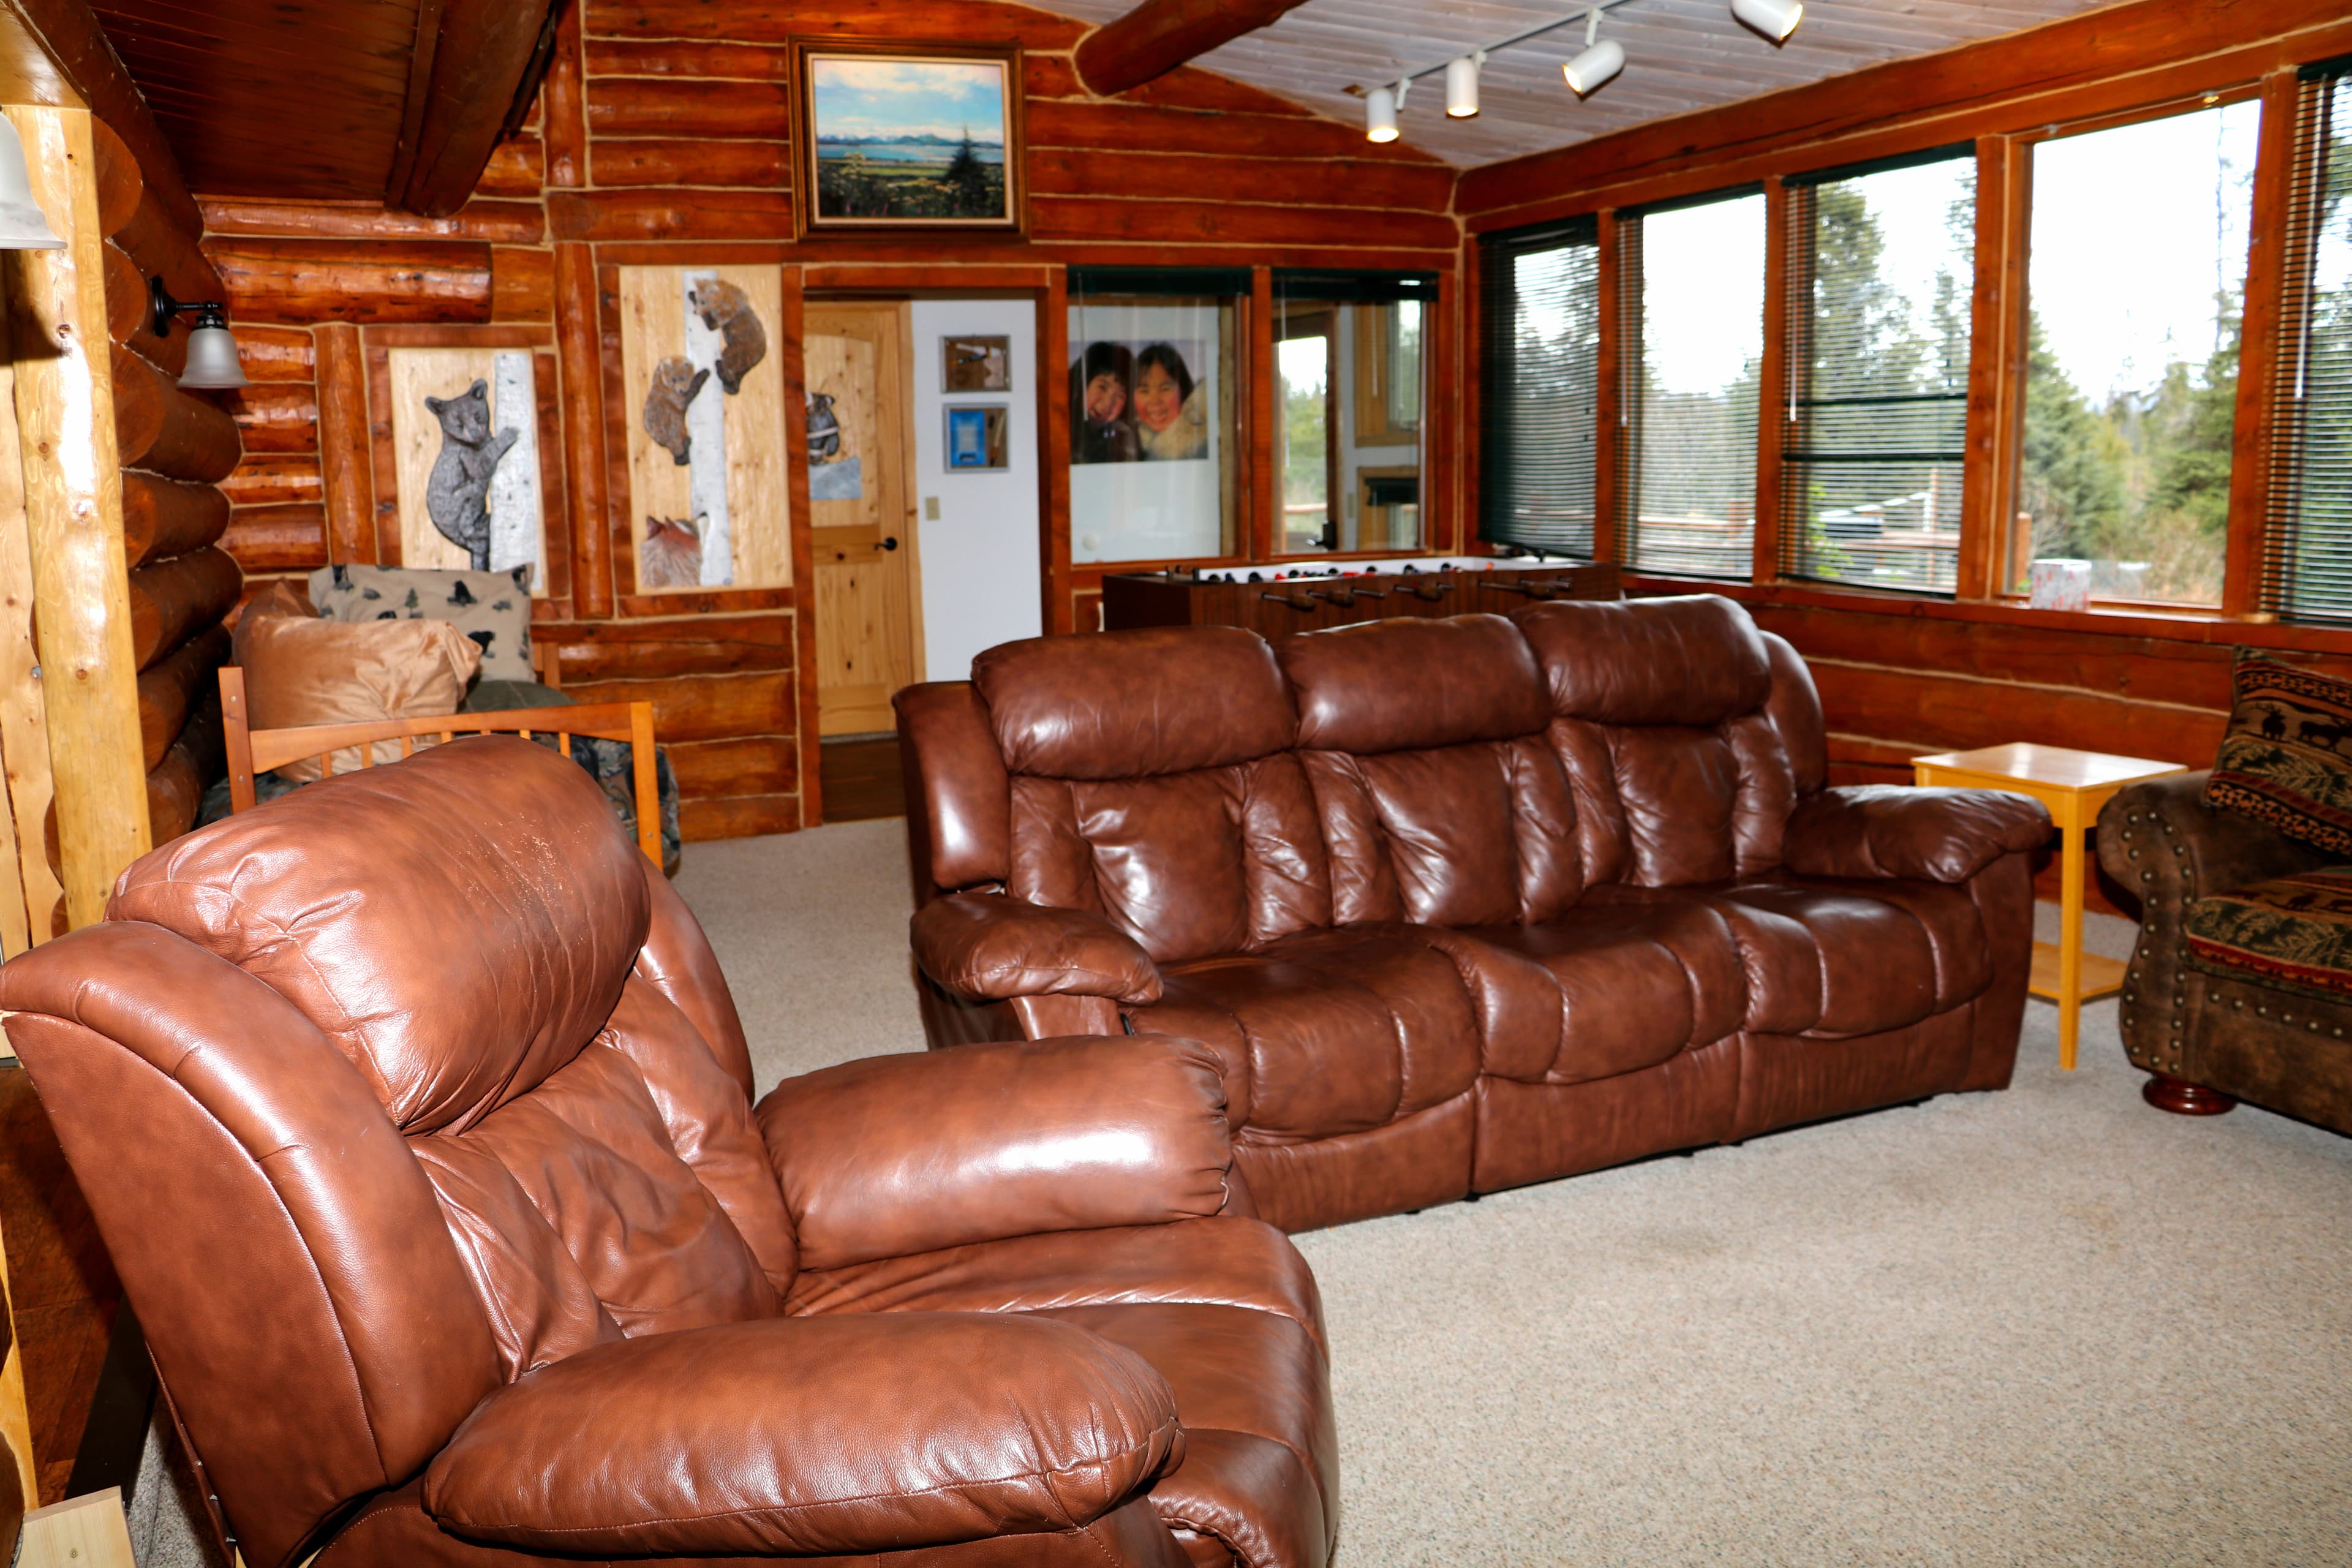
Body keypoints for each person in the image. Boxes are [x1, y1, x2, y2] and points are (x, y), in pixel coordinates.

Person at [1133, 342, 1207, 461]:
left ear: (1184, 391)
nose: (1155, 401)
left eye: (1165, 389)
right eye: (1144, 391)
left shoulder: (1201, 446)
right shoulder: (1131, 442)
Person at [1071, 342, 1139, 464]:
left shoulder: (1124, 438)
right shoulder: (1061, 428)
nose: (1109, 403)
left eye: (1120, 396)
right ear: (1082, 384)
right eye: (1102, 387)